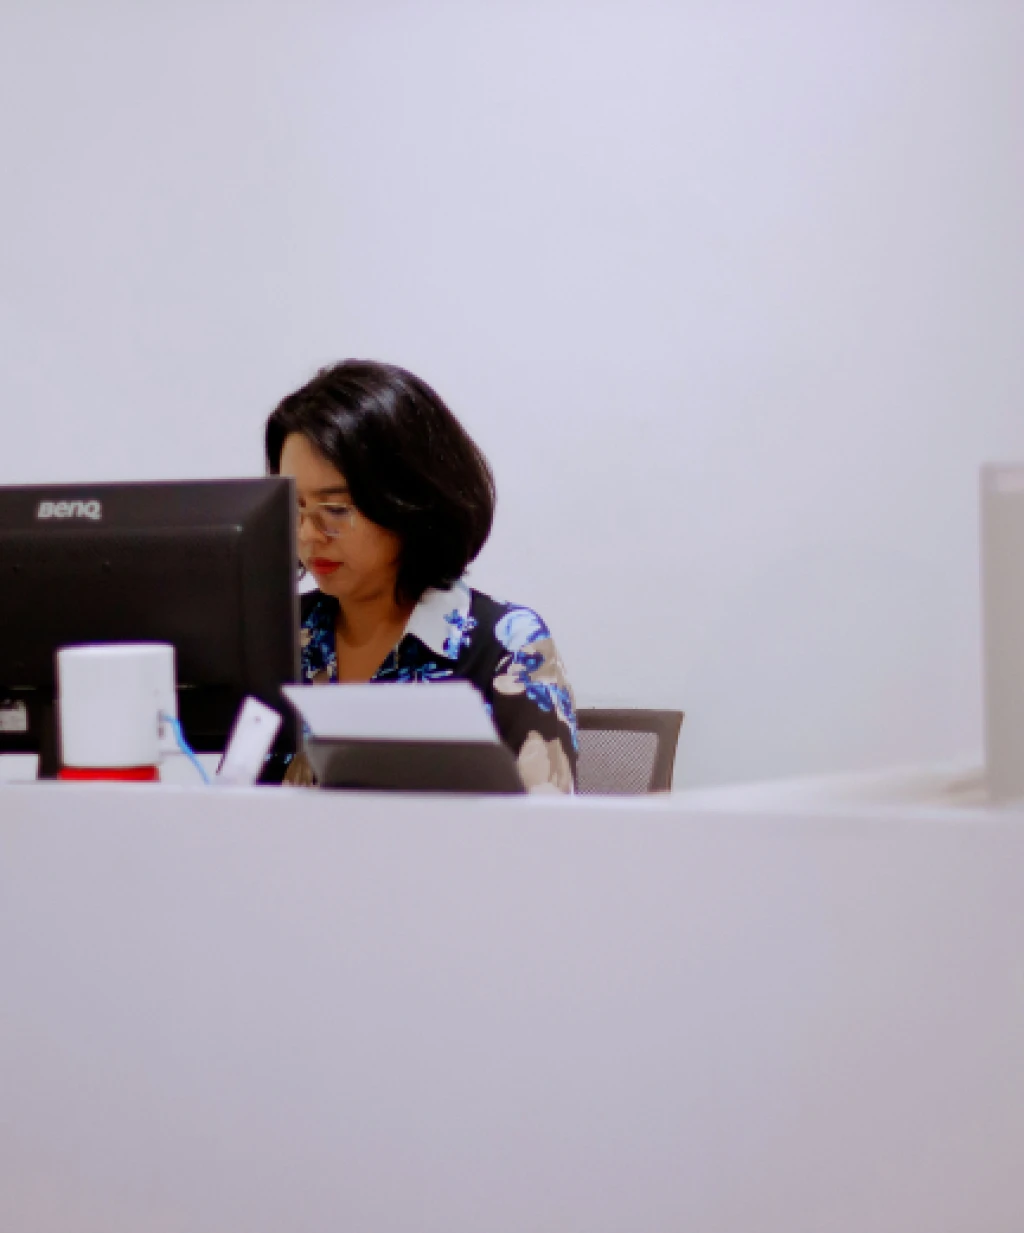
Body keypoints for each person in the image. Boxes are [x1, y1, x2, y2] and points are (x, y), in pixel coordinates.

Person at [263, 360, 577, 792]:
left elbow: (547, 826)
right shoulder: (279, 638)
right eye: (294, 507)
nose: (307, 535)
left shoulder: (508, 647)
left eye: (334, 510)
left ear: (407, 502)